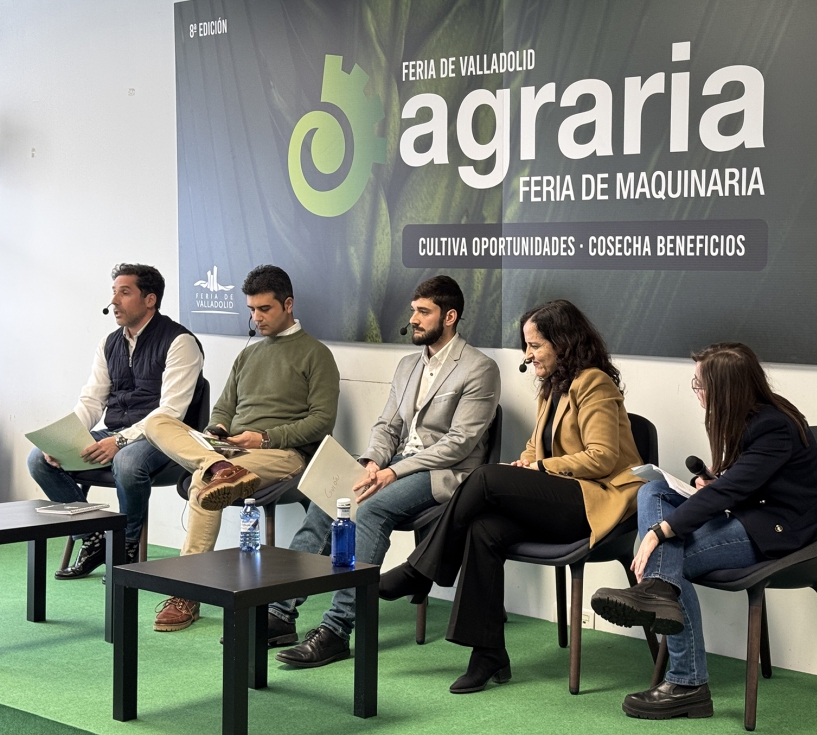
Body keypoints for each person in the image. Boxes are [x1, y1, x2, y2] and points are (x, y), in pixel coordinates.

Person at [378, 299, 643, 693]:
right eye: (527, 346)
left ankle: (421, 570)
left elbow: (602, 458)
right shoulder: (552, 387)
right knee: (485, 528)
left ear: (563, 342)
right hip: (562, 497)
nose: (528, 355)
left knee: (484, 477)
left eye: (535, 346)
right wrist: (526, 465)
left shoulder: (594, 383)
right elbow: (537, 449)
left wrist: (537, 470)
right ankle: (488, 655)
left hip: (596, 503)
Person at [590, 342, 817, 720]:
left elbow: (735, 490)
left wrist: (659, 532)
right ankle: (658, 592)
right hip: (750, 513)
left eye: (700, 384)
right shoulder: (747, 415)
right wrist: (709, 482)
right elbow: (738, 483)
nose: (697, 390)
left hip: (783, 529)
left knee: (673, 562)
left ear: (725, 388)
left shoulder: (773, 427)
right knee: (652, 488)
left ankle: (687, 682)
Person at [270, 275, 501, 667]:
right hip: (394, 466)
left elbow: (459, 444)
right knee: (329, 494)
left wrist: (395, 471)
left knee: (370, 508)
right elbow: (387, 426)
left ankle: (336, 629)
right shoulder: (408, 364)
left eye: (423, 312)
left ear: (450, 316)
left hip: (443, 474)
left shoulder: (479, 368)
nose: (413, 318)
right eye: (413, 310)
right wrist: (375, 460)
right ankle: (279, 612)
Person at [144, 264, 340, 632]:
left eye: (264, 309)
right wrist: (217, 429)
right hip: (231, 452)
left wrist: (263, 438)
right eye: (251, 309)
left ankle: (186, 593)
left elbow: (321, 423)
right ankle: (216, 464)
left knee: (206, 483)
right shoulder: (248, 355)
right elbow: (223, 409)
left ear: (288, 304)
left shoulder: (316, 354)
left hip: (283, 455)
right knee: (157, 421)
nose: (256, 317)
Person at [27, 264, 205, 579]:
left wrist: (120, 441)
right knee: (39, 459)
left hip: (165, 438)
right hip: (115, 432)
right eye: (114, 292)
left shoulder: (181, 342)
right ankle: (93, 537)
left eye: (124, 293)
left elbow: (171, 412)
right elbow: (92, 401)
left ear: (150, 299)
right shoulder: (109, 343)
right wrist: (63, 438)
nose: (114, 302)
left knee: (126, 462)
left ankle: (127, 545)